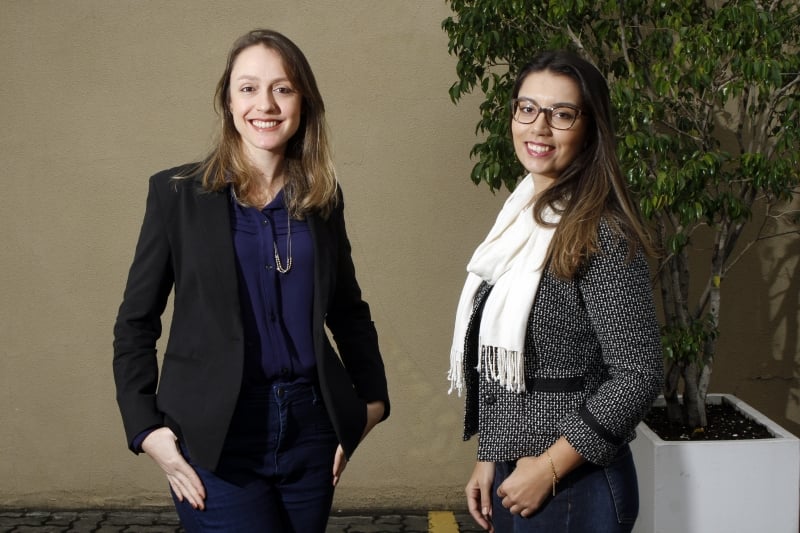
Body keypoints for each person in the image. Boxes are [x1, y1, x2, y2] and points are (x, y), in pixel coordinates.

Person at [113, 28, 389, 532]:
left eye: (282, 88)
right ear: (227, 100)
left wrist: (371, 402)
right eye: (248, 87)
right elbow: (135, 323)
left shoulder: (322, 198)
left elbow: (348, 309)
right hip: (216, 435)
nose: (265, 103)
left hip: (311, 430)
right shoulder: (176, 196)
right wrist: (145, 428)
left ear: (303, 101)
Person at [448, 50, 663, 533]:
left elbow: (639, 373)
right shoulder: (522, 217)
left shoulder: (600, 231)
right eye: (527, 109)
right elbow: (510, 363)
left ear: (589, 128)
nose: (538, 127)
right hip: (519, 472)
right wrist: (491, 454)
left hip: (572, 486)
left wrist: (546, 469)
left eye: (561, 114)